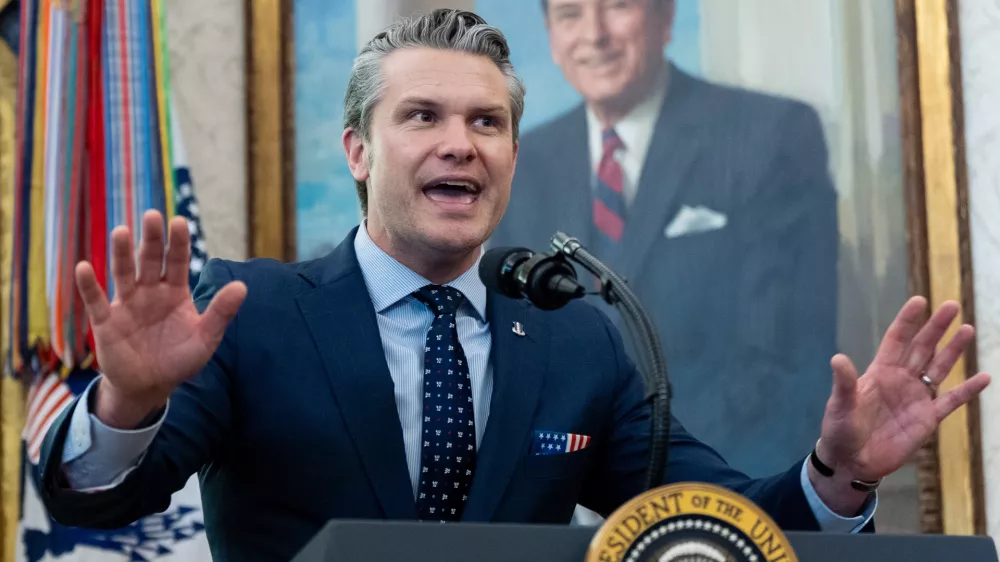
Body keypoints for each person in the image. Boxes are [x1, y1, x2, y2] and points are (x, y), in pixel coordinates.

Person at [36, 9, 988, 562]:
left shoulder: (578, 344)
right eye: (424, 116)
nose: (461, 142)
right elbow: (97, 501)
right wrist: (129, 401)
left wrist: (844, 472)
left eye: (488, 123)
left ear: (513, 155)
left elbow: (721, 528)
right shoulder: (251, 315)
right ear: (359, 152)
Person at [490, 0, 839, 476]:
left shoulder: (770, 134)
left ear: (666, 18)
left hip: (724, 482)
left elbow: (787, 358)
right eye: (570, 14)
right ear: (551, 36)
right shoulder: (524, 165)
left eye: (617, 6)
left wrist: (667, 476)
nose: (595, 34)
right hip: (566, 496)